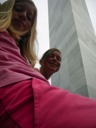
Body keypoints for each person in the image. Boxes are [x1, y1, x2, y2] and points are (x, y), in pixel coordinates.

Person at [0, 0, 96, 128]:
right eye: (18, 9)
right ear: (41, 61)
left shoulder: (19, 53)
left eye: (30, 17)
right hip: (21, 99)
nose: (55, 60)